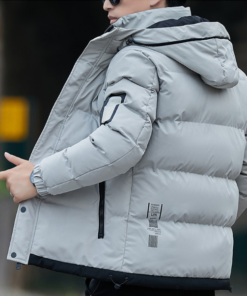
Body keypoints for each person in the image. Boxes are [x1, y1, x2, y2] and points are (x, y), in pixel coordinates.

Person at [2, 0, 247, 295]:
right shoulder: (236, 79)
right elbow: (241, 175)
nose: (106, 2)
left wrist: (36, 179)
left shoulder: (140, 58)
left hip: (131, 271)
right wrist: (194, 232)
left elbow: (120, 142)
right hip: (200, 274)